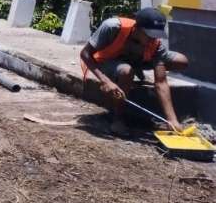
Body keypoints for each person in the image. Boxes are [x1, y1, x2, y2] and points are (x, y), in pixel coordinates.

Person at [80, 8, 189, 136]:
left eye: (156, 35)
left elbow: (161, 82)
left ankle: (135, 71)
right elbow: (85, 53)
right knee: (126, 71)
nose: (152, 39)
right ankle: (117, 119)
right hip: (105, 60)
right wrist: (105, 81)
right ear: (137, 27)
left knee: (181, 60)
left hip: (135, 60)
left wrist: (172, 120)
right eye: (149, 34)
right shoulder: (112, 27)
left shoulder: (155, 44)